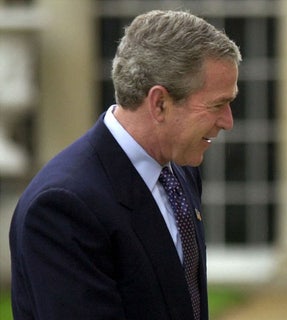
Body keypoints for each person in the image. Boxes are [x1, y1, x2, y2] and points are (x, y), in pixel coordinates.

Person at [9, 10, 241, 320]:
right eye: (217, 105)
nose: (228, 122)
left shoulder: (179, 172)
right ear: (159, 103)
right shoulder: (63, 206)